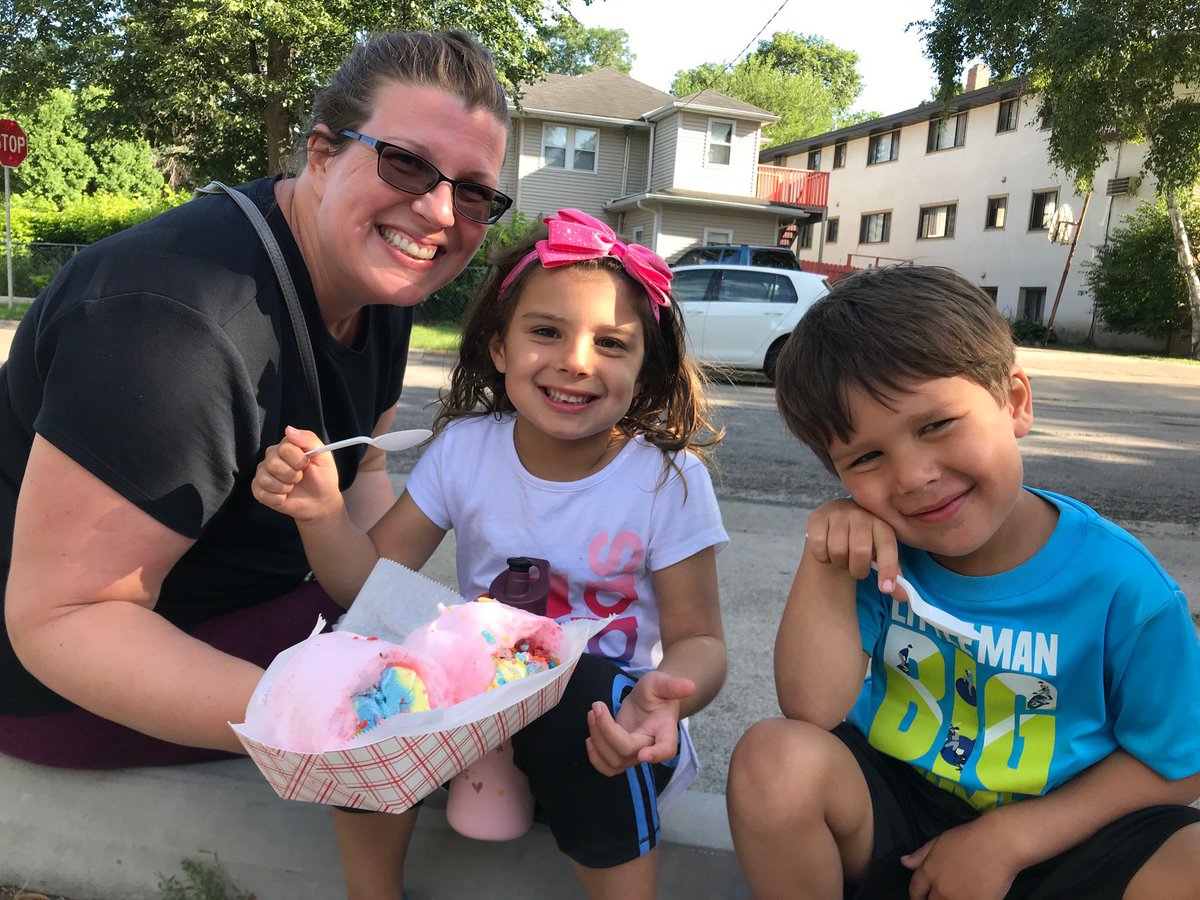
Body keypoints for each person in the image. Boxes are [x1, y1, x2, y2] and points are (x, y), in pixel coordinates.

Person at [0, 31, 511, 770]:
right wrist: (316, 715)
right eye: (405, 164)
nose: (438, 212)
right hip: (64, 688)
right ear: (322, 152)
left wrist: (402, 624)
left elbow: (362, 472)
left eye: (473, 192)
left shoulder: (384, 286)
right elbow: (63, 622)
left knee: (475, 670)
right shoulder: (174, 325)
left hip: (246, 614)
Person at [253, 208, 729, 899]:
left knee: (586, 690)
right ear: (499, 347)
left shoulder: (667, 479)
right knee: (367, 663)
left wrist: (667, 702)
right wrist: (322, 513)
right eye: (546, 331)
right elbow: (370, 585)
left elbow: (702, 640)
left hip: (610, 730)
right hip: (478, 711)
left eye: (612, 344)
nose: (576, 361)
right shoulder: (467, 449)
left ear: (644, 366)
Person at [725, 266, 1200, 899]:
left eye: (936, 425)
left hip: (1066, 830)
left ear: (1015, 402)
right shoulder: (876, 551)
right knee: (772, 761)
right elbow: (809, 710)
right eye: (866, 457)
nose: (915, 476)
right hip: (903, 815)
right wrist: (826, 562)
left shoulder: (1124, 585)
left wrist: (1009, 838)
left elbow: (1178, 762)